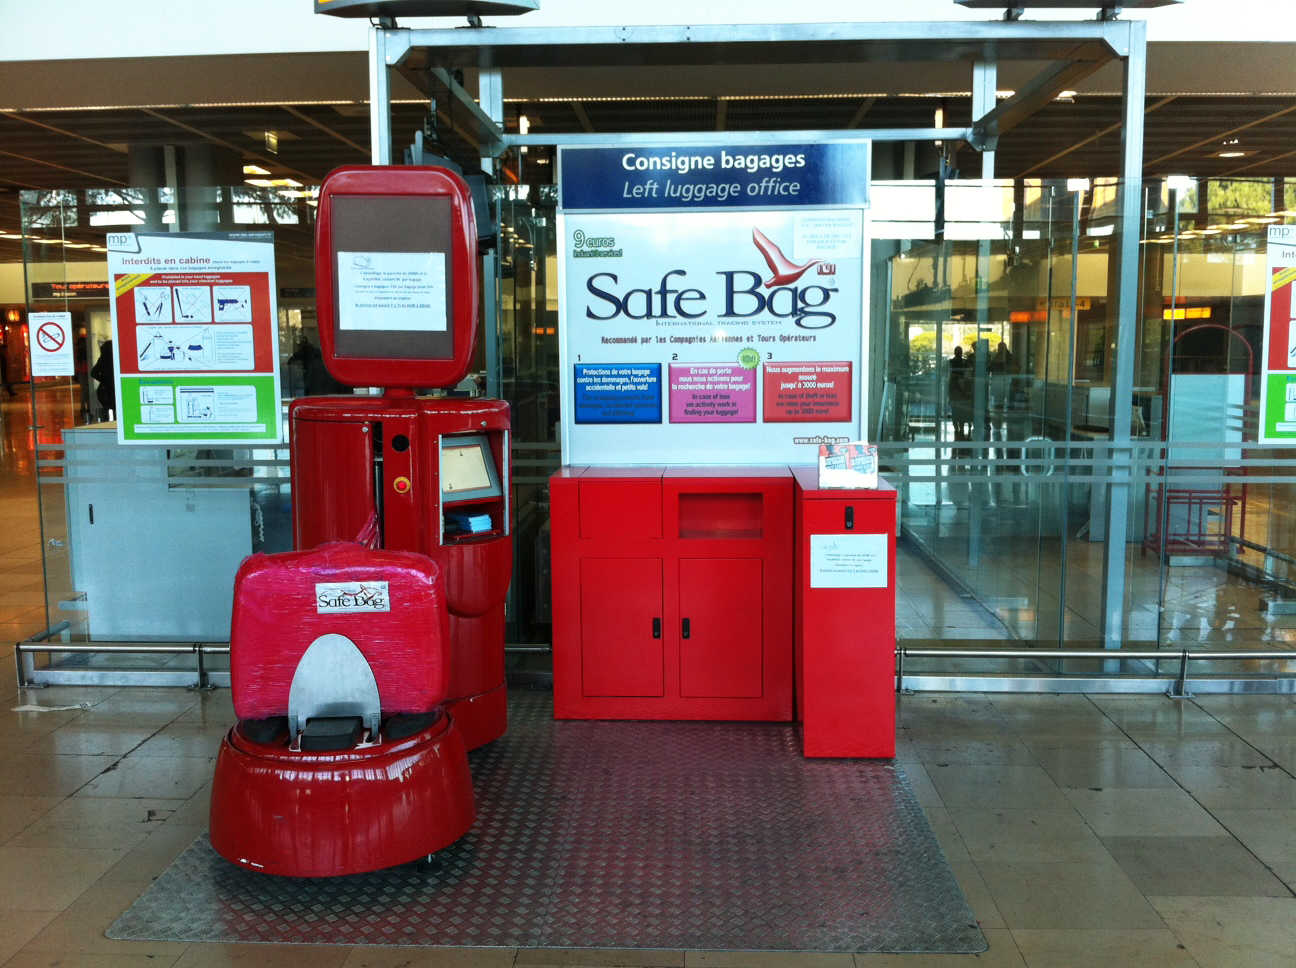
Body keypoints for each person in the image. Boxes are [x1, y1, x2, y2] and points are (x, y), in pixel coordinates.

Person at [948, 345, 971, 442]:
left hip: (957, 388)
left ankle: (957, 427)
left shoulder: (952, 362)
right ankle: (959, 427)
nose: (959, 353)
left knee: (957, 409)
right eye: (958, 351)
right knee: (959, 409)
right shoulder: (963, 362)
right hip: (958, 388)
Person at [90, 339, 115, 420]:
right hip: (112, 389)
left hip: (104, 390)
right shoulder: (117, 359)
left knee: (107, 411)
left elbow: (93, 373)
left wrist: (104, 380)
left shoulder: (103, 359)